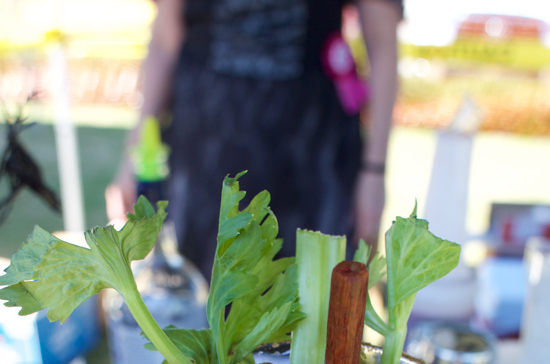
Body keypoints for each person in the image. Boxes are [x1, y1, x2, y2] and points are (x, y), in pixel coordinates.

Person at [106, 0, 401, 279]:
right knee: (193, 291)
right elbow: (165, 38)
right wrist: (134, 155)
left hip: (307, 151)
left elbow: (382, 44)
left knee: (307, 294)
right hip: (202, 151)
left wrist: (374, 172)